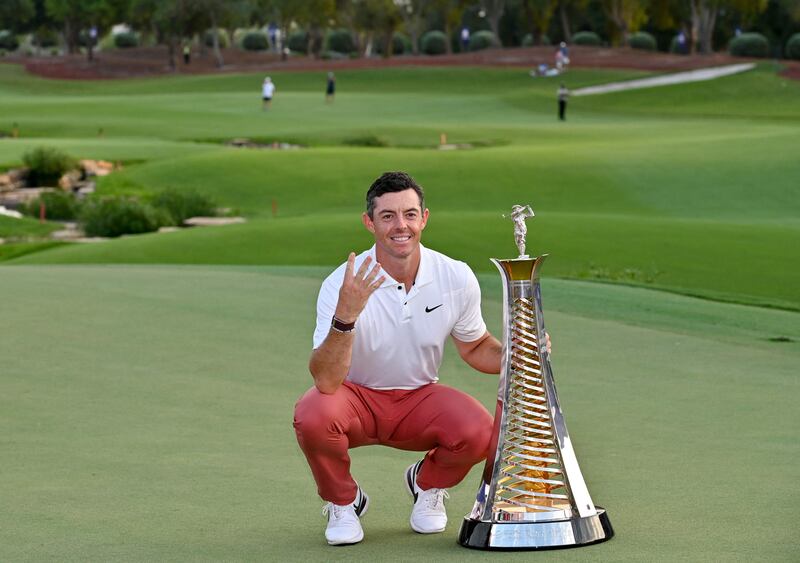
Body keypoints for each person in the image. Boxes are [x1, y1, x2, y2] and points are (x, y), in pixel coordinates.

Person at [293, 171, 504, 546]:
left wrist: (518, 352)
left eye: (409, 214)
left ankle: (427, 483)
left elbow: (475, 346)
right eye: (387, 216)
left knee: (479, 432)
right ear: (369, 223)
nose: (400, 225)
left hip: (418, 397)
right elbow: (326, 381)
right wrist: (346, 317)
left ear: (424, 218)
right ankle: (344, 502)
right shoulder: (340, 284)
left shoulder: (455, 275)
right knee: (313, 415)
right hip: (355, 398)